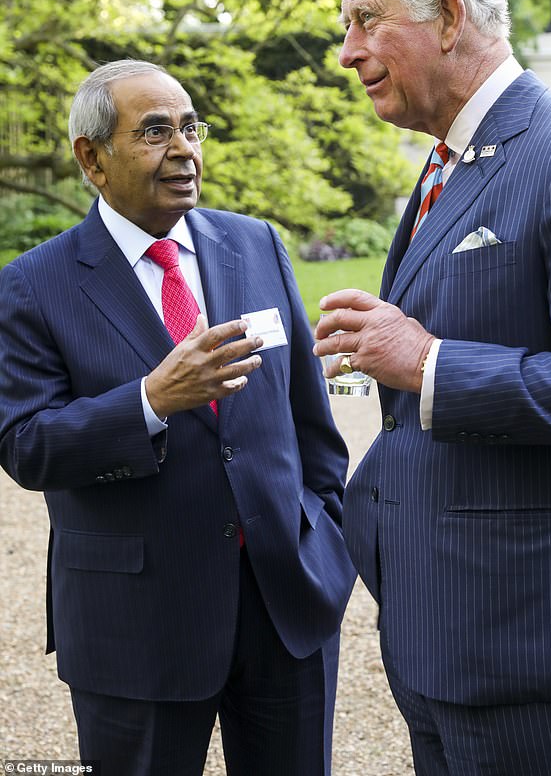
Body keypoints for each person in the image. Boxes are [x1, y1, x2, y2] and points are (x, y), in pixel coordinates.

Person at [313, 0, 551, 775]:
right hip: (442, 645)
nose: (348, 51)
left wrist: (425, 362)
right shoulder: (443, 162)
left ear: (449, 17)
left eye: (366, 20)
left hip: (535, 658)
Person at [0, 59, 356, 776]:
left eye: (191, 128)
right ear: (91, 158)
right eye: (156, 131)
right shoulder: (33, 285)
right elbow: (26, 445)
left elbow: (310, 422)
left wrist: (325, 535)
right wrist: (150, 402)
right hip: (137, 623)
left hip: (285, 606)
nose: (185, 150)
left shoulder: (255, 243)